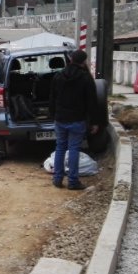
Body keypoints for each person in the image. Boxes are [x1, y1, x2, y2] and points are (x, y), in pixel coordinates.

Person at [49, 49, 99, 190]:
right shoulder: (85, 78)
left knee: (60, 148)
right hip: (77, 120)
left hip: (60, 119)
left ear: (70, 60)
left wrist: (53, 115)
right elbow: (92, 102)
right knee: (74, 150)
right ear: (84, 61)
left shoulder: (58, 76)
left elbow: (52, 99)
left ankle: (57, 179)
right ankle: (73, 182)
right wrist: (94, 121)